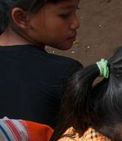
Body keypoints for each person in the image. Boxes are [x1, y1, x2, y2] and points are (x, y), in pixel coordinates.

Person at [0, 0, 82, 128]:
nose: (76, 24)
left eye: (76, 10)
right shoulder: (63, 72)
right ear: (22, 18)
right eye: (65, 15)